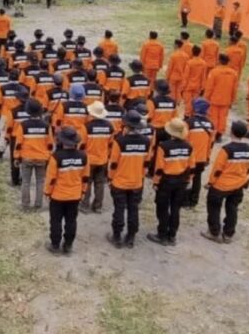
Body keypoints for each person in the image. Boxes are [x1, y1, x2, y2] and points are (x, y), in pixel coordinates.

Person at [201, 121, 249, 244]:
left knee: (214, 206)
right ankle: (228, 234)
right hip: (238, 184)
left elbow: (217, 169)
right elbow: (248, 168)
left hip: (221, 185)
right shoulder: (248, 149)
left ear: (231, 132)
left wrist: (211, 183)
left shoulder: (226, 149)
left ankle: (214, 232)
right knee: (232, 208)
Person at [147, 118, 194, 246]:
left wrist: (156, 183)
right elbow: (191, 166)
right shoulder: (189, 147)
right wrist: (189, 180)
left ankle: (161, 234)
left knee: (162, 208)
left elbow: (159, 168)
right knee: (175, 209)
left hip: (166, 182)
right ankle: (172, 235)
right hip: (181, 181)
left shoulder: (164, 146)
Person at [108, 110, 151, 249]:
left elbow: (113, 163)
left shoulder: (119, 141)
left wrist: (110, 178)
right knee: (134, 209)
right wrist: (141, 176)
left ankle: (116, 236)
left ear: (125, 125)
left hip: (120, 182)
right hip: (137, 182)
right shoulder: (146, 141)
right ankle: (131, 237)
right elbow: (147, 162)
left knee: (119, 209)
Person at [44, 126, 89, 254]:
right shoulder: (84, 156)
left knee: (56, 220)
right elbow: (85, 177)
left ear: (62, 141)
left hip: (58, 196)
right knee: (71, 220)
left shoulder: (55, 157)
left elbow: (51, 178)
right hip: (75, 195)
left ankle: (55, 245)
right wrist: (83, 192)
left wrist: (47, 192)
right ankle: (68, 245)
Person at [14, 99, 53, 211]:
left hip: (27, 157)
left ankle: (25, 204)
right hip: (42, 158)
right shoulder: (46, 126)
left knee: (25, 181)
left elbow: (18, 143)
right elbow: (50, 144)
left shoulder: (23, 125)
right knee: (40, 181)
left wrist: (16, 157)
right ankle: (38, 204)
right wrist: (49, 156)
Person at [80, 102, 113, 214]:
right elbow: (111, 143)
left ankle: (85, 206)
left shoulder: (86, 127)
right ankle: (98, 206)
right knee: (99, 184)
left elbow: (81, 145)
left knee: (87, 182)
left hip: (89, 160)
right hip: (102, 159)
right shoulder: (109, 126)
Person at [184, 98, 214, 208]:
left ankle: (185, 201)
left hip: (190, 157)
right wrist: (207, 158)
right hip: (202, 158)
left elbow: (184, 140)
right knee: (197, 179)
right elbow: (211, 144)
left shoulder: (189, 123)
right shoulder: (210, 124)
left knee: (187, 178)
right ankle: (194, 201)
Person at [205, 54, 238, 141]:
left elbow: (209, 87)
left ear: (219, 61)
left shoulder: (214, 72)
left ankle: (212, 133)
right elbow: (234, 89)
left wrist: (205, 98)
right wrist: (232, 100)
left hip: (214, 99)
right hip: (226, 100)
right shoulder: (234, 73)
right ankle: (219, 134)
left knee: (213, 117)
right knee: (223, 117)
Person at [181, 46, 207, 117]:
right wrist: (203, 87)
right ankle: (193, 115)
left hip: (188, 86)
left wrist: (182, 87)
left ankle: (187, 115)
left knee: (188, 102)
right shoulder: (203, 63)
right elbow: (203, 76)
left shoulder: (189, 63)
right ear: (200, 53)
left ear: (192, 52)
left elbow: (186, 76)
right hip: (197, 86)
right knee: (195, 101)